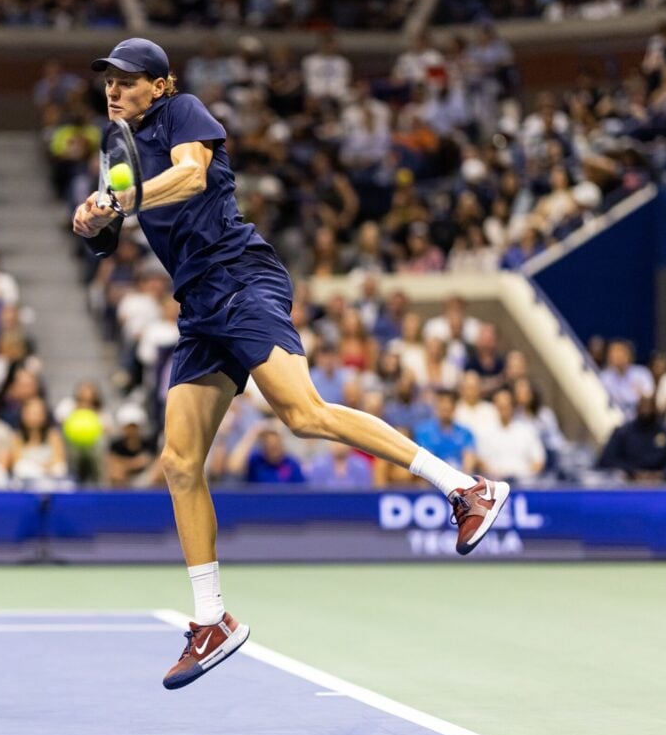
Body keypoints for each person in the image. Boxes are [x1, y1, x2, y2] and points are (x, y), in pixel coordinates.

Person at [72, 38, 510, 689]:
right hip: (198, 304)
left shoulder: (183, 113)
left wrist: (123, 199)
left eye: (128, 80)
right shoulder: (122, 147)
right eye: (109, 80)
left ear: (160, 86)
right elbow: (113, 229)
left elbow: (191, 176)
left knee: (303, 414)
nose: (114, 90)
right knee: (179, 462)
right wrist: (92, 219)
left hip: (240, 280)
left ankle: (466, 488)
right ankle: (212, 620)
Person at [598, 395, 666, 483]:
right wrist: (631, 472)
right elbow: (609, 458)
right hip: (628, 478)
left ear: (656, 409)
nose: (646, 410)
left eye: (649, 407)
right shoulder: (623, 432)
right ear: (637, 409)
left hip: (660, 479)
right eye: (643, 407)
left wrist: (663, 474)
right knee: (615, 477)